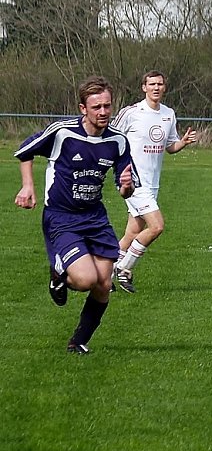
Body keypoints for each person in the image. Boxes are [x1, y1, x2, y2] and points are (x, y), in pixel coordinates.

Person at [14, 76, 136, 355]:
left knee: (104, 284)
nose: (103, 112)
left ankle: (78, 341)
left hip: (95, 218)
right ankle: (58, 274)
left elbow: (124, 189)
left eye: (107, 106)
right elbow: (24, 151)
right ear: (83, 108)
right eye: (97, 107)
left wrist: (126, 187)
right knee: (84, 280)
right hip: (62, 217)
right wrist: (28, 185)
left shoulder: (118, 141)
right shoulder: (62, 133)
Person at [111, 70, 197, 293]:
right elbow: (110, 140)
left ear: (164, 87)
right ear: (144, 87)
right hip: (132, 180)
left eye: (160, 84)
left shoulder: (168, 114)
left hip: (152, 182)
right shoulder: (131, 113)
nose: (156, 88)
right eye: (152, 84)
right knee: (157, 226)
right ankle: (124, 268)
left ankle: (105, 272)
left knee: (133, 232)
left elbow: (170, 147)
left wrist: (184, 142)